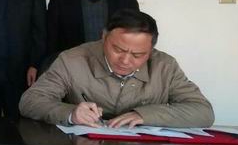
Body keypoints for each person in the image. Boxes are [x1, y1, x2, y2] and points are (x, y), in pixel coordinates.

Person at [19, 9, 214, 128]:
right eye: (118, 49)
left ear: (151, 50)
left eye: (138, 55)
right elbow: (30, 101)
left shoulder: (165, 66)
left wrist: (144, 115)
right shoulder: (72, 60)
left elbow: (203, 112)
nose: (125, 60)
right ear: (104, 36)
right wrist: (70, 113)